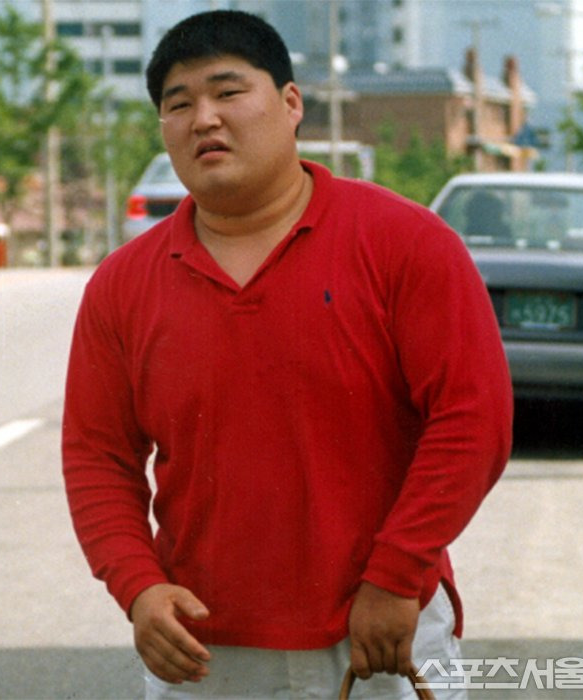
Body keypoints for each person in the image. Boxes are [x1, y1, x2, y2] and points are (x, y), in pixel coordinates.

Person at [62, 10, 512, 699]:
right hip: (202, 650)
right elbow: (97, 456)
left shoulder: (405, 243)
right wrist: (138, 586)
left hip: (381, 629)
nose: (204, 119)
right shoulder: (122, 284)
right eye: (178, 105)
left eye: (228, 91)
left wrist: (397, 576)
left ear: (291, 102)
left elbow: (473, 419)